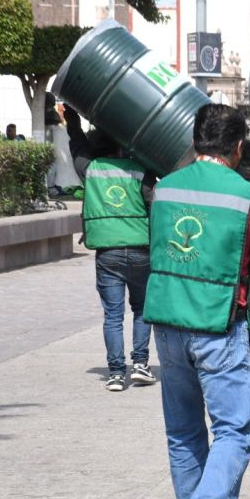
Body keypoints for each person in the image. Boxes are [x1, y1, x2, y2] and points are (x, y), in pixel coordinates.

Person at [143, 104, 250, 499]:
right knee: (236, 430)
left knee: (182, 430)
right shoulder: (249, 196)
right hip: (218, 325)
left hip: (167, 324)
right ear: (238, 148)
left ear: (196, 142)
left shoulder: (164, 188)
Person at [65, 104, 157, 392]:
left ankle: (116, 373)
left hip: (107, 252)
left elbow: (77, 145)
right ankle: (140, 364)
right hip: (141, 250)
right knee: (141, 309)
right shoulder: (140, 171)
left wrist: (71, 118)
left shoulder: (90, 170)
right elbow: (154, 205)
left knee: (113, 315)